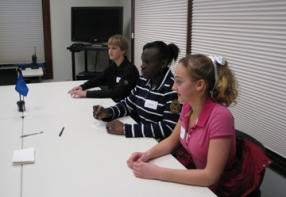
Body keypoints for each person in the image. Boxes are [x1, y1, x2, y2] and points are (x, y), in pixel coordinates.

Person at [126, 54, 246, 197]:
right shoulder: (188, 107)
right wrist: (147, 154)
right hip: (198, 178)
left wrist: (158, 172)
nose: (173, 87)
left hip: (219, 188)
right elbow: (172, 140)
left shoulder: (220, 116)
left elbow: (211, 176)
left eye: (179, 82)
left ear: (199, 85)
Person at [93, 41, 181, 141]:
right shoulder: (143, 80)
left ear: (163, 64)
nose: (142, 66)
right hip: (142, 138)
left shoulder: (173, 89)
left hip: (158, 144)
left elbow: (168, 127)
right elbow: (128, 104)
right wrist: (108, 112)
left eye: (148, 62)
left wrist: (127, 129)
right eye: (142, 61)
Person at [68, 34, 139, 102]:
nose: (110, 51)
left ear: (123, 51)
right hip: (112, 101)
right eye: (109, 48)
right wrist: (82, 87)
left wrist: (85, 93)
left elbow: (117, 93)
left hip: (125, 107)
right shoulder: (111, 67)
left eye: (114, 48)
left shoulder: (130, 70)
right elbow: (97, 80)